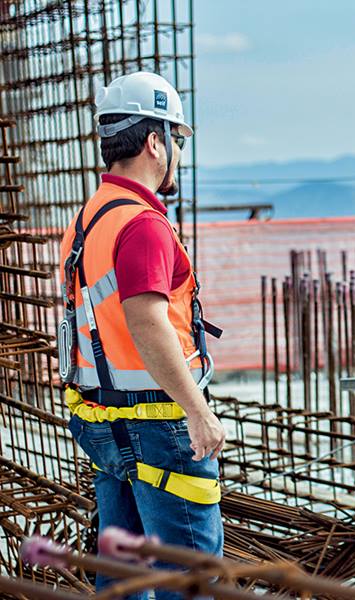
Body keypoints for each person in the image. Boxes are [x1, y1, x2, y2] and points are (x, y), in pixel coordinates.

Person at [58, 71, 224, 599]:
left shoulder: (90, 217)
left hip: (104, 419)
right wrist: (197, 410)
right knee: (189, 574)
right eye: (174, 138)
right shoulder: (143, 224)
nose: (177, 151)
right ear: (155, 142)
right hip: (159, 425)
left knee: (126, 574)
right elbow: (146, 322)